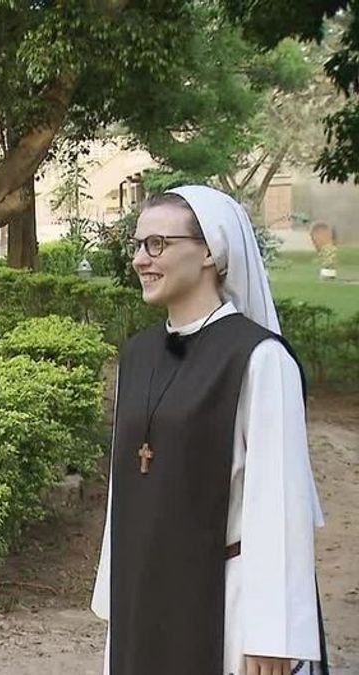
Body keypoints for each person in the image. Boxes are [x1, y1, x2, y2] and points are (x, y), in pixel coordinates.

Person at [91, 186, 329, 675]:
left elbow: (278, 506)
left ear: (210, 253)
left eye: (157, 244)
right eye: (137, 245)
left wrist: (273, 633)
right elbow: (126, 487)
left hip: (226, 601)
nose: (140, 259)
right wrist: (117, 594)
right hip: (144, 592)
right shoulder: (138, 354)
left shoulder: (260, 359)